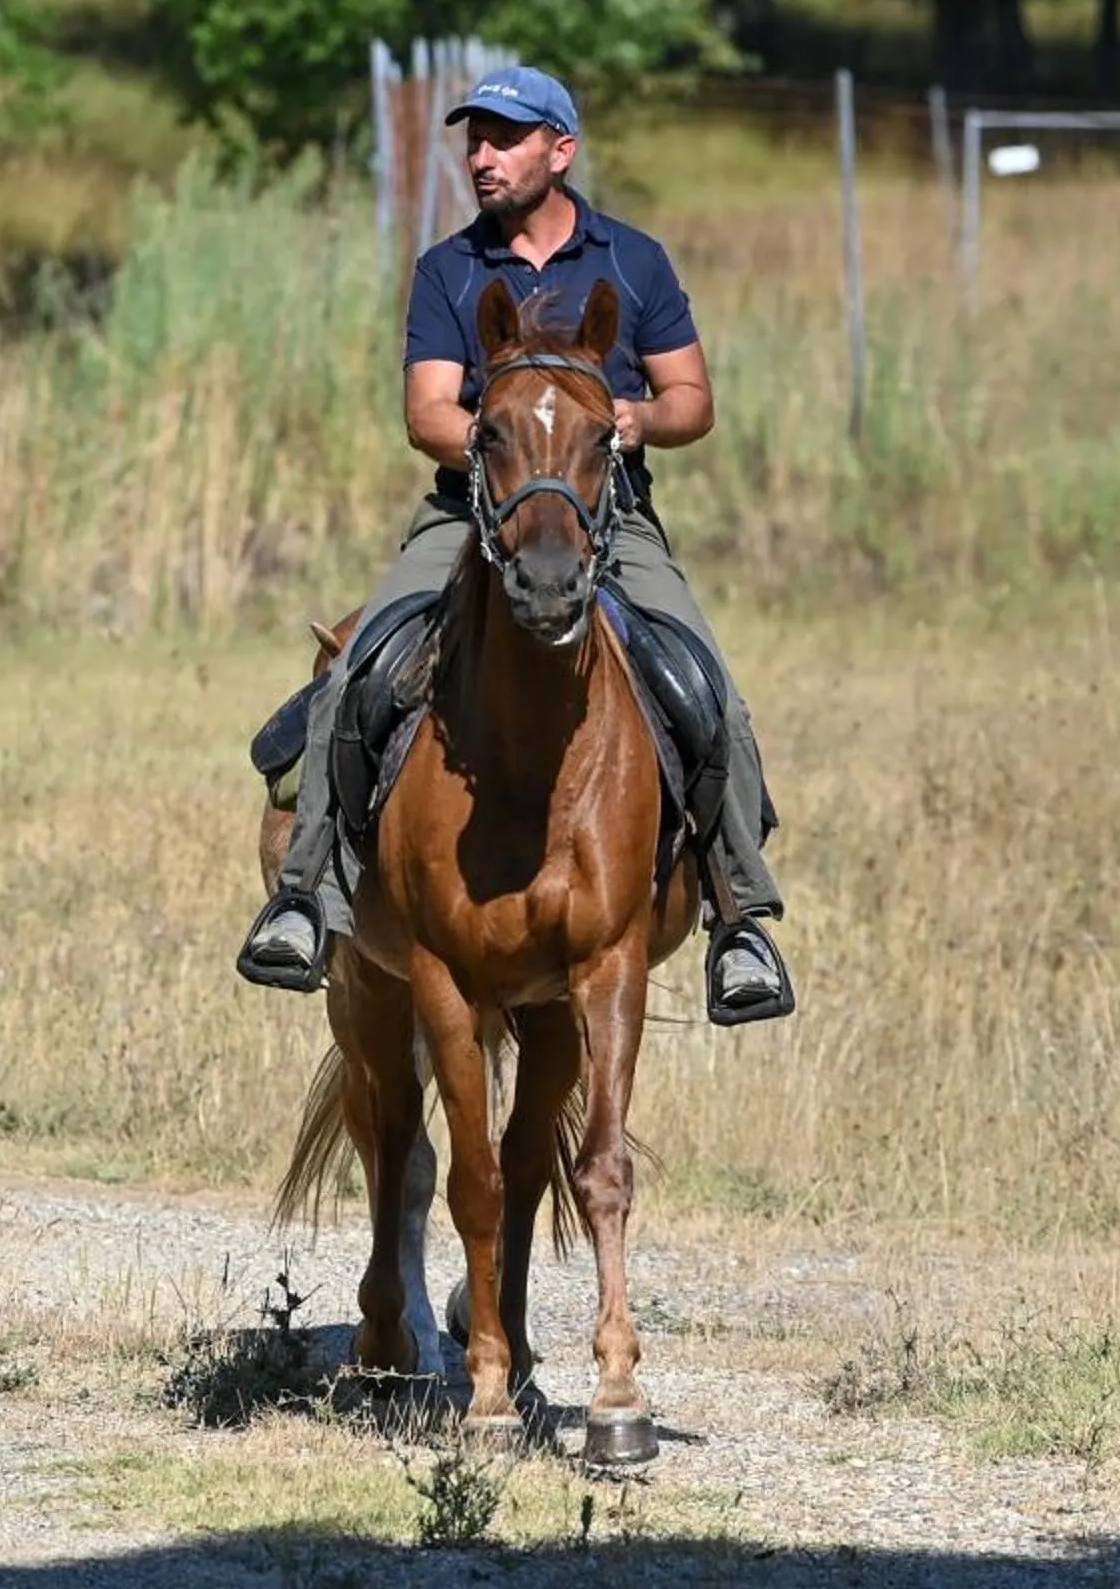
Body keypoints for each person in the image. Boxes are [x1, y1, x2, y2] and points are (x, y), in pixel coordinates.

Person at [234, 66, 794, 1020]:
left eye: (504, 138)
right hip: (469, 514)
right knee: (354, 667)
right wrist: (515, 450)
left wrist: (624, 423)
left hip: (606, 521)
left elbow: (693, 401)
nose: (481, 158)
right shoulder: (450, 269)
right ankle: (305, 895)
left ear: (561, 151)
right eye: (474, 139)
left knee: (710, 687)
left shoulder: (636, 262)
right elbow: (426, 412)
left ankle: (740, 918)